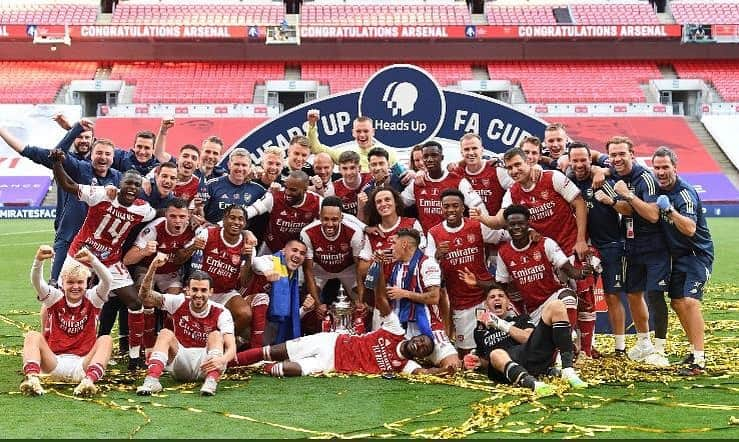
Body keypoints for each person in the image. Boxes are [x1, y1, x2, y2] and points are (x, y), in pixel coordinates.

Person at [228, 248, 448, 377]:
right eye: (421, 340)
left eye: (423, 349)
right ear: (414, 336)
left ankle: (256, 368)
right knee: (273, 350)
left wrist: (443, 370)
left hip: (333, 364)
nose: (419, 344)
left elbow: (426, 374)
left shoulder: (406, 366)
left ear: (421, 356)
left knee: (289, 370)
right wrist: (379, 268)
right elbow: (381, 299)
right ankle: (229, 363)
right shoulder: (395, 331)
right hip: (332, 342)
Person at [51, 150, 157, 370]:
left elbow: (161, 211)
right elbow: (69, 186)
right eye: (128, 183)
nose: (131, 188)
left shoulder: (143, 209)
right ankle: (55, 346)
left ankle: (135, 357)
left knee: (135, 303)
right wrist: (56, 164)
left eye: (135, 186)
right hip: (81, 255)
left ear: (139, 191)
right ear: (120, 184)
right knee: (61, 299)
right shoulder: (101, 194)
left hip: (110, 260)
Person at [0, 126, 120, 284]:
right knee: (56, 285)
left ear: (92, 141)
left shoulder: (116, 175)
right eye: (79, 136)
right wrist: (75, 128)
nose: (83, 140)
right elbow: (39, 152)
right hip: (68, 233)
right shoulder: (75, 165)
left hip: (98, 243)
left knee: (94, 292)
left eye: (87, 137)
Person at [20, 246, 113, 397]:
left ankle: (89, 381)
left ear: (86, 282)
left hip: (83, 365)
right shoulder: (55, 297)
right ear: (62, 283)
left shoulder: (93, 298)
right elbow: (37, 283)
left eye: (80, 282)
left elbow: (108, 281)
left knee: (106, 340)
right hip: (54, 363)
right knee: (32, 335)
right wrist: (38, 260)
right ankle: (32, 379)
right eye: (70, 282)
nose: (75, 286)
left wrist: (93, 260)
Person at [652, 147, 713, 375]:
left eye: (665, 167)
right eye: (657, 167)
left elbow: (689, 228)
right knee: (677, 302)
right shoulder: (653, 187)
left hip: (696, 254)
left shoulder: (684, 193)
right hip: (676, 257)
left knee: (690, 301)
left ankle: (699, 360)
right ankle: (693, 351)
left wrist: (669, 211)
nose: (661, 172)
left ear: (675, 168)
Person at [136, 256, 236, 396]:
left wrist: (223, 360)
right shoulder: (178, 302)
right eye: (194, 289)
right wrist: (153, 267)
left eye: (203, 290)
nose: (199, 294)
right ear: (187, 290)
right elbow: (144, 297)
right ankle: (152, 380)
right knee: (165, 333)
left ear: (211, 292)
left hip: (206, 365)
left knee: (216, 335)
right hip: (180, 362)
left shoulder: (221, 311)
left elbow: (232, 347)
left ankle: (211, 382)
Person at [425, 189, 509, 355]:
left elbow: (505, 236)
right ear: (441, 208)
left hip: (485, 294)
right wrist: (437, 256)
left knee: (503, 341)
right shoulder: (434, 233)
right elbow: (429, 268)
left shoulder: (477, 226)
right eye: (446, 206)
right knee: (467, 354)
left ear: (463, 207)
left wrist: (530, 232)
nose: (451, 210)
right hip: (461, 302)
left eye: (455, 206)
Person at [607, 136, 667, 364]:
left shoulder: (645, 178)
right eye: (613, 155)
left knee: (655, 295)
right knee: (633, 294)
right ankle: (644, 343)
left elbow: (652, 215)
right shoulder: (612, 171)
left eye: (622, 154)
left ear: (632, 154)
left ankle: (660, 349)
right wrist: (611, 194)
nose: (617, 158)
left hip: (654, 246)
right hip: (631, 246)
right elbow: (597, 160)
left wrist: (627, 195)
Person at [462, 284, 587, 394]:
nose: (497, 298)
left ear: (508, 303)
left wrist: (500, 324)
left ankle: (568, 370)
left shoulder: (520, 319)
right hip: (505, 368)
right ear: (486, 305)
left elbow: (528, 338)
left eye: (501, 296)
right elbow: (487, 360)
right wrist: (477, 361)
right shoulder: (480, 331)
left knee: (557, 305)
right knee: (496, 353)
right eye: (492, 297)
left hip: (528, 353)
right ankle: (533, 384)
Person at [568, 142, 629, 356]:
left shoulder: (604, 180)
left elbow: (627, 209)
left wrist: (610, 200)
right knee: (582, 298)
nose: (579, 164)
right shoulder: (566, 182)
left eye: (583, 160)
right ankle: (584, 346)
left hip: (610, 245)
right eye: (574, 160)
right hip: (581, 247)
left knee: (612, 296)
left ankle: (620, 347)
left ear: (590, 160)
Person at [494, 205, 592, 328]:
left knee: (568, 298)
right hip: (532, 310)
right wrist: (478, 283)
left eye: (521, 223)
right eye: (512, 224)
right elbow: (501, 285)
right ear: (506, 226)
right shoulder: (504, 253)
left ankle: (567, 340)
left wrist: (582, 272)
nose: (516, 227)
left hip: (553, 297)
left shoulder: (545, 243)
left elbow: (570, 271)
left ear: (528, 224)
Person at [382, 228, 459, 370]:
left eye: (394, 243)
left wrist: (405, 294)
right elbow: (379, 295)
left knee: (453, 366)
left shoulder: (427, 264)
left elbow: (435, 297)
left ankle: (423, 368)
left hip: (428, 326)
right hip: (399, 327)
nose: (391, 247)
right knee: (382, 363)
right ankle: (421, 369)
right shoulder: (393, 265)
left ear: (404, 244)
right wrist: (377, 265)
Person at [178, 205, 257, 337]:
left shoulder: (248, 245)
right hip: (200, 288)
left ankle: (221, 343)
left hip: (225, 292)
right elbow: (178, 258)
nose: (236, 222)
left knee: (245, 314)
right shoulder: (208, 233)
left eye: (240, 219)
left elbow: (244, 282)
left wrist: (248, 259)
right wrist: (193, 248)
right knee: (177, 311)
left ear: (245, 223)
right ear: (224, 219)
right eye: (232, 218)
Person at [300, 196, 370, 315]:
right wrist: (317, 304)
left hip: (348, 269)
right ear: (319, 216)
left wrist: (362, 299)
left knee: (365, 302)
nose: (330, 224)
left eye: (334, 219)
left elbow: (359, 268)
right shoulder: (307, 232)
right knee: (308, 301)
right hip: (320, 270)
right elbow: (308, 271)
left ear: (341, 218)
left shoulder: (354, 232)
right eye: (325, 219)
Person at [401, 141, 486, 233]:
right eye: (425, 156)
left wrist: (486, 233)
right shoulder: (417, 182)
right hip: (427, 242)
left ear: (442, 158)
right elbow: (398, 203)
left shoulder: (457, 181)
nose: (429, 159)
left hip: (453, 239)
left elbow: (477, 206)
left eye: (434, 155)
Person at [242, 239, 311, 347]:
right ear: (283, 251)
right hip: (243, 313)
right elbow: (255, 262)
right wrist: (266, 271)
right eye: (294, 250)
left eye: (302, 253)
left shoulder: (294, 279)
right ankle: (251, 347)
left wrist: (305, 310)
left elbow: (289, 316)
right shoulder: (272, 261)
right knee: (263, 298)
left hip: (266, 322)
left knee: (278, 324)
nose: (298, 255)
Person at [246, 170, 321, 255]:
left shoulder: (317, 201)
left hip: (298, 253)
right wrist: (246, 232)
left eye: (293, 190)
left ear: (305, 189)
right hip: (271, 248)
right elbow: (248, 212)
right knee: (257, 265)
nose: (287, 192)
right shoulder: (275, 196)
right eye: (286, 187)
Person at [199, 148, 267, 225]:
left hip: (242, 236)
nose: (240, 168)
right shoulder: (211, 185)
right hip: (213, 234)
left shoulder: (258, 190)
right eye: (236, 164)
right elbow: (198, 213)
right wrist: (209, 226)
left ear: (249, 168)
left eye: (244, 165)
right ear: (229, 165)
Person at [329, 150, 372, 216]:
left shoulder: (371, 179)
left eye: (352, 168)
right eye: (344, 168)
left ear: (359, 168)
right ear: (339, 169)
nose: (348, 173)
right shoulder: (333, 189)